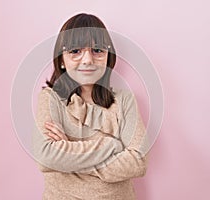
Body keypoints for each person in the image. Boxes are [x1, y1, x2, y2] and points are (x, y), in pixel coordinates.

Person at [32, 13, 148, 200]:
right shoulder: (51, 99)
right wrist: (112, 145)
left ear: (108, 57)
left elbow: (139, 161)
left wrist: (68, 151)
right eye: (75, 51)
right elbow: (46, 157)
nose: (87, 60)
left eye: (97, 51)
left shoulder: (124, 100)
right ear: (62, 59)